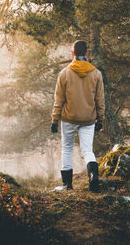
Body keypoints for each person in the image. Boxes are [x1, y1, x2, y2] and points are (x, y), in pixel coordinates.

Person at [51, 40, 105, 192]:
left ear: (72, 53)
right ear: (86, 54)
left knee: (67, 148)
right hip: (88, 119)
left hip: (69, 118)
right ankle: (94, 176)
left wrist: (55, 120)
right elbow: (100, 99)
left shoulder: (65, 73)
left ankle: (67, 185)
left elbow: (59, 100)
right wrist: (101, 119)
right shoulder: (96, 73)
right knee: (88, 150)